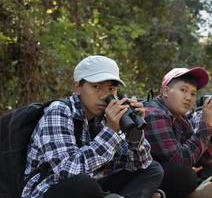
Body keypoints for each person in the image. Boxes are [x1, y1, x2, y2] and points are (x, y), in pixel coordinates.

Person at [21, 55, 164, 198]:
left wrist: (135, 132)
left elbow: (139, 164)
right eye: (96, 87)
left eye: (111, 89)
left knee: (153, 169)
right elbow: (68, 170)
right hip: (50, 189)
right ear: (77, 87)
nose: (104, 95)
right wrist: (111, 131)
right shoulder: (59, 111)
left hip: (89, 185)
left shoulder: (104, 117)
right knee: (82, 183)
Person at [144, 67, 212, 198]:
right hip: (142, 177)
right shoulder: (153, 114)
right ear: (166, 91)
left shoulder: (181, 119)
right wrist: (204, 125)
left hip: (168, 173)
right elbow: (179, 160)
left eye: (193, 94)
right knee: (183, 173)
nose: (188, 98)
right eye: (183, 90)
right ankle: (195, 192)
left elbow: (206, 158)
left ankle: (197, 190)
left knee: (210, 164)